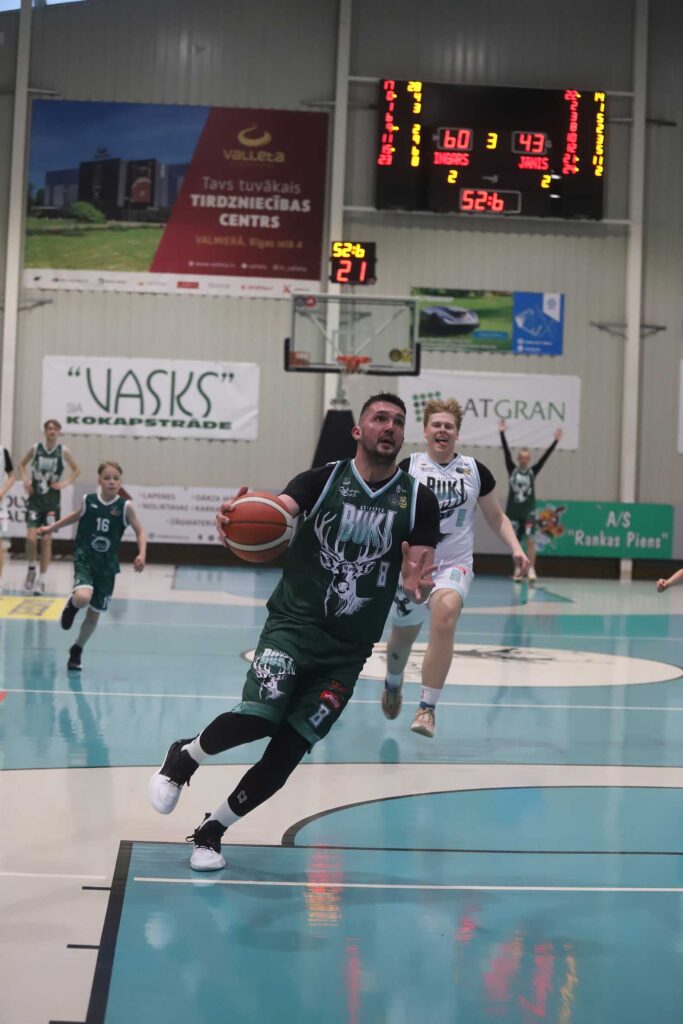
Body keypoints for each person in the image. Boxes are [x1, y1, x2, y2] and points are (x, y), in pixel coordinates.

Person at [149, 393, 440, 871]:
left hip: (348, 650)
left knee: (286, 754)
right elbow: (278, 510)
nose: (389, 426)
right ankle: (185, 756)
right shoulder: (321, 480)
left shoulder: (419, 501)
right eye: (379, 418)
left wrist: (417, 584)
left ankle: (211, 831)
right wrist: (237, 518)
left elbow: (418, 564)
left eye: (397, 421)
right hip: (293, 625)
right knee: (260, 717)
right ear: (358, 430)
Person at [381, 398, 529, 738]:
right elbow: (391, 517)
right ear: (426, 431)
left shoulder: (476, 471)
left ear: (457, 433)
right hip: (413, 568)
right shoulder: (409, 467)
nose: (442, 430)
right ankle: (393, 681)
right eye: (436, 424)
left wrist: (516, 548)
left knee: (445, 616)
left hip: (453, 565)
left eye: (449, 426)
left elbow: (497, 516)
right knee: (401, 641)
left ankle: (427, 708)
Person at [37, 460, 146, 671]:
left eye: (116, 478)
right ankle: (72, 605)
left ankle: (77, 649)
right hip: (85, 558)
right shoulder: (89, 500)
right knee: (82, 597)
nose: (111, 482)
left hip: (107, 567)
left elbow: (140, 532)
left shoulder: (125, 507)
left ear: (120, 481)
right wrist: (51, 527)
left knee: (94, 614)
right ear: (99, 481)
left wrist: (141, 554)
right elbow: (75, 516)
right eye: (107, 478)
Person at [19, 419, 80, 595]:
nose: (52, 431)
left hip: (52, 502)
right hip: (35, 500)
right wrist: (25, 481)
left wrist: (64, 483)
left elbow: (77, 470)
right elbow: (21, 465)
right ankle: (32, 569)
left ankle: (42, 580)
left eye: (55, 429)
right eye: (49, 428)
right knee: (31, 539)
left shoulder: (63, 451)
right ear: (45, 431)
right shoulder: (35, 448)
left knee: (46, 540)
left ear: (58, 432)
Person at [499, 419, 562, 584]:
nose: (524, 460)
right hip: (513, 512)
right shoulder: (512, 470)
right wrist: (502, 433)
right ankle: (518, 569)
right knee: (515, 543)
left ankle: (531, 568)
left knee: (531, 540)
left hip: (528, 512)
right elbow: (506, 452)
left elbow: (545, 458)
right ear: (519, 458)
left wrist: (555, 441)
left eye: (526, 458)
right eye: (521, 457)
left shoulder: (533, 471)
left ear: (529, 459)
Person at [0, 443, 16, 594]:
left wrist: (2, 491)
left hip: (0, 506)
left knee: (0, 546)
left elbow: (12, 476)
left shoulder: (2, 451)